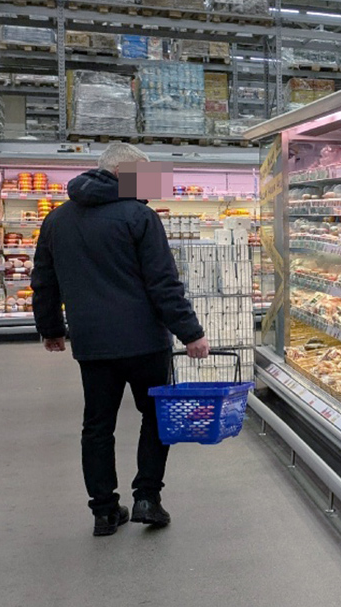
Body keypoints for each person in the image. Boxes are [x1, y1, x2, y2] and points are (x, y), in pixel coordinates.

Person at [31, 143, 209, 537]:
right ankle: (147, 498)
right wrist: (191, 333)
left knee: (97, 425)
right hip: (145, 340)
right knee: (155, 415)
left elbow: (44, 279)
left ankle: (104, 511)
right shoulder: (140, 216)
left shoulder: (57, 219)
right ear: (122, 173)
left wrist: (51, 328)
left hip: (92, 342)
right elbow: (163, 283)